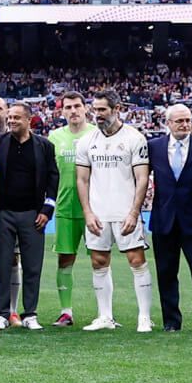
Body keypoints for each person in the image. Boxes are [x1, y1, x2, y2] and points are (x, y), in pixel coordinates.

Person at [74, 90, 153, 332]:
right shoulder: (87, 140)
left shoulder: (134, 138)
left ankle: (144, 316)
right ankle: (105, 316)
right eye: (95, 110)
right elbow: (82, 180)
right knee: (98, 262)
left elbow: (142, 179)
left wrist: (133, 212)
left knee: (136, 260)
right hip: (98, 213)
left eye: (102, 110)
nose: (97, 115)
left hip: (125, 211)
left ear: (116, 109)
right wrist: (87, 212)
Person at [147, 105, 192, 334]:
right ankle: (171, 321)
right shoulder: (153, 147)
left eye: (188, 120)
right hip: (163, 220)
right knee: (166, 273)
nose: (184, 125)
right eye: (179, 121)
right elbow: (141, 179)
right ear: (168, 123)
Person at [0, 101, 57, 330]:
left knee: (32, 266)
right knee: (1, 265)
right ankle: (2, 313)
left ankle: (30, 314)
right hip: (3, 214)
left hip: (33, 214)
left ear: (29, 120)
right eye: (10, 117)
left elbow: (53, 179)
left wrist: (47, 209)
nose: (11, 121)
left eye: (16, 118)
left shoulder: (44, 146)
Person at [45, 91, 92, 325]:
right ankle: (66, 311)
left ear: (85, 108)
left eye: (77, 106)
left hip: (94, 209)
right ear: (62, 111)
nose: (73, 111)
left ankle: (106, 313)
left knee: (100, 259)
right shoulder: (54, 138)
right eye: (68, 107)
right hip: (64, 207)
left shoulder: (96, 134)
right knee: (65, 259)